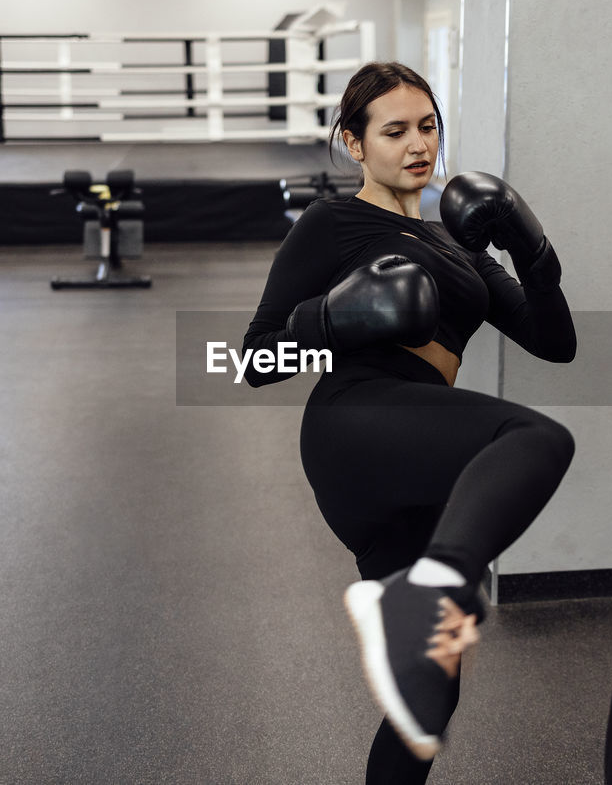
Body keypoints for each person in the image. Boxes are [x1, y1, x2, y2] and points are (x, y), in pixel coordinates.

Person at [242, 61, 576, 784]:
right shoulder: (333, 223)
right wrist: (331, 318)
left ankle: (425, 600)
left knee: (430, 693)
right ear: (354, 143)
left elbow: (555, 343)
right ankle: (436, 587)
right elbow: (252, 360)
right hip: (357, 420)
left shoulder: (458, 242)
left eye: (428, 127)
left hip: (418, 447)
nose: (418, 145)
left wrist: (532, 250)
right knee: (534, 439)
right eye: (394, 131)